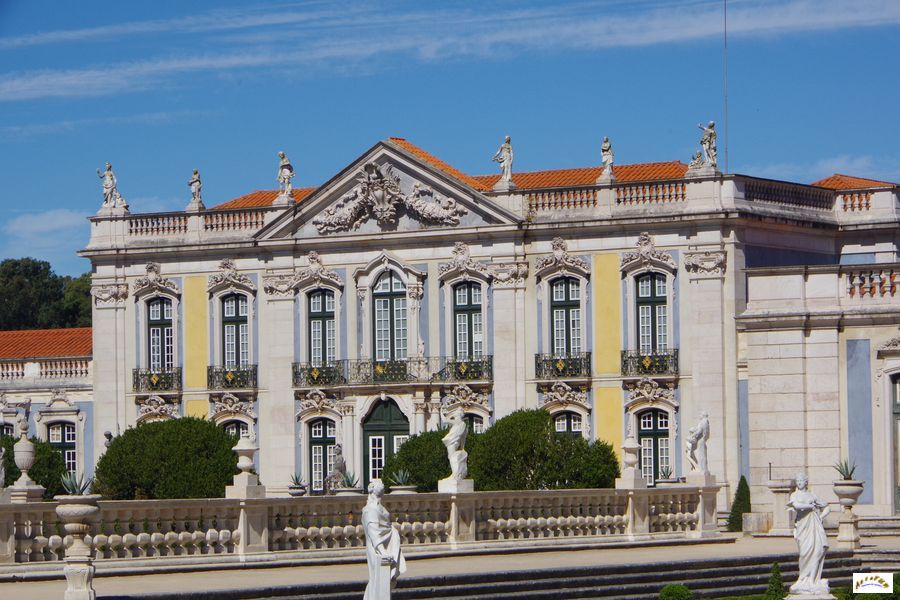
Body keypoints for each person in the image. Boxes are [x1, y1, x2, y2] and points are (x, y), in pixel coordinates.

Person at [787, 472, 831, 595]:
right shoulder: (794, 495)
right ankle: (802, 578)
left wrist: (821, 517)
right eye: (797, 481)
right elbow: (797, 506)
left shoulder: (812, 495)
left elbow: (827, 507)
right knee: (804, 553)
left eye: (801, 480)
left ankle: (812, 581)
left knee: (818, 551)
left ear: (806, 482)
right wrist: (810, 506)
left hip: (814, 525)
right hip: (803, 527)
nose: (799, 483)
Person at [362, 479, 406, 599]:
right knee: (376, 577)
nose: (381, 484)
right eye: (378, 483)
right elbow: (374, 532)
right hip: (377, 548)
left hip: (386, 544)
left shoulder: (378, 506)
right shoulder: (370, 509)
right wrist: (383, 551)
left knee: (381, 579)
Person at [442, 409, 468, 480]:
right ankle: (456, 474)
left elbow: (445, 420)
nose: (454, 415)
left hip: (452, 442)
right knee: (453, 457)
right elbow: (463, 437)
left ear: (458, 415)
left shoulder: (458, 422)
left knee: (451, 457)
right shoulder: (463, 424)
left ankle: (455, 474)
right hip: (455, 442)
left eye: (455, 413)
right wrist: (462, 447)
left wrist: (441, 412)